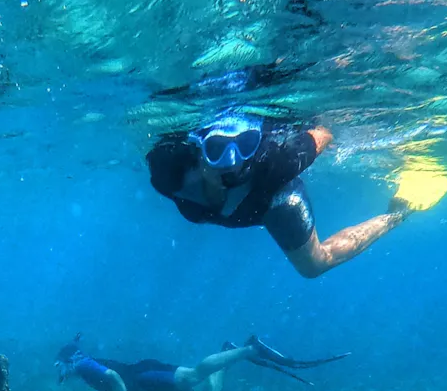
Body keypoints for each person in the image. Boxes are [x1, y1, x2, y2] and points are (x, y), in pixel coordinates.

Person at [146, 109, 431, 279]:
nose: (232, 162)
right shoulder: (169, 172)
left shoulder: (277, 164)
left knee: (315, 265)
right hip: (244, 204)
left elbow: (323, 132)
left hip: (276, 201)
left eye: (244, 146)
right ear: (197, 153)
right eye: (217, 150)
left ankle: (399, 213)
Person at [54, 333, 348, 391]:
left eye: (60, 367)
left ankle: (250, 349)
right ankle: (227, 354)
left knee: (194, 375)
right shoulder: (82, 369)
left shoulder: (81, 365)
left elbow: (112, 377)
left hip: (145, 379)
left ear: (68, 361)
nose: (61, 374)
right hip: (150, 387)